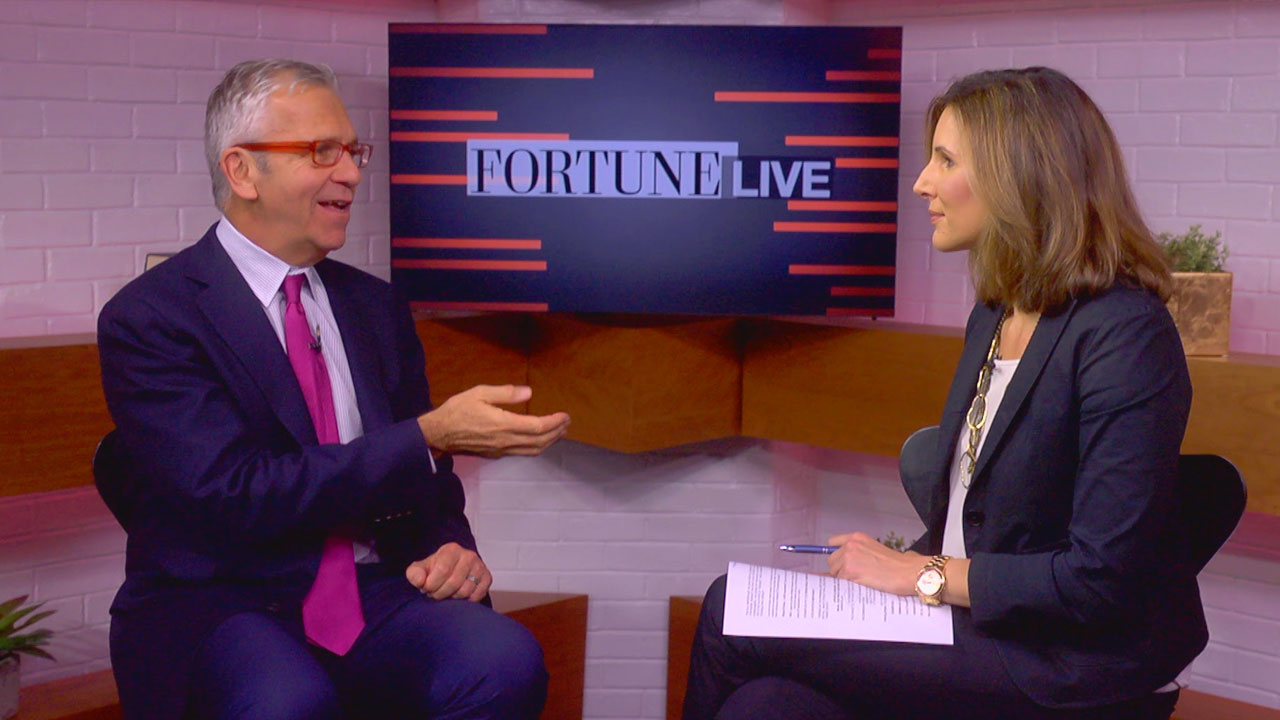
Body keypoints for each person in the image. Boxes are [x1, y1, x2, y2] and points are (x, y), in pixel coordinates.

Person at [682, 67, 1203, 720]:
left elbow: (1099, 581)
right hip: (971, 624)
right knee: (765, 705)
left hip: (1069, 659)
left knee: (727, 610)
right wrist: (911, 574)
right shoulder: (994, 313)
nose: (922, 182)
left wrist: (918, 574)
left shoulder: (1126, 334)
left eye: (946, 160)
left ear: (1020, 177)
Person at [96, 59, 571, 720]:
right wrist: (426, 436)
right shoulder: (151, 317)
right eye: (322, 151)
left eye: (352, 151)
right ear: (242, 170)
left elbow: (428, 483)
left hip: (373, 587)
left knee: (503, 662)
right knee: (289, 702)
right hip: (224, 599)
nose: (349, 172)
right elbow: (234, 494)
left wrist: (450, 546)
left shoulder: (375, 306)